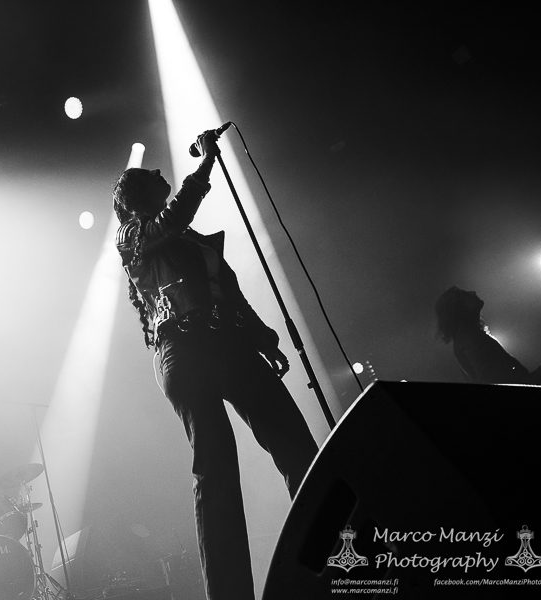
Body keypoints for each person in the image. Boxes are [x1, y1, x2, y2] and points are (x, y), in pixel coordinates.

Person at [112, 129, 318, 600]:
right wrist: (205, 164)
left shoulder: (189, 238)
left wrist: (262, 336)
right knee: (217, 470)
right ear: (137, 195)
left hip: (227, 344)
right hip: (183, 351)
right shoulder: (134, 235)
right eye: (151, 174)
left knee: (297, 447)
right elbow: (174, 216)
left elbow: (228, 294)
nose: (160, 171)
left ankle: (324, 563)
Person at [435, 286, 541, 384]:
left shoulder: (469, 336)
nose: (473, 292)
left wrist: (533, 376)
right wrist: (530, 381)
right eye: (465, 295)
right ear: (458, 307)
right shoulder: (469, 338)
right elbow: (492, 381)